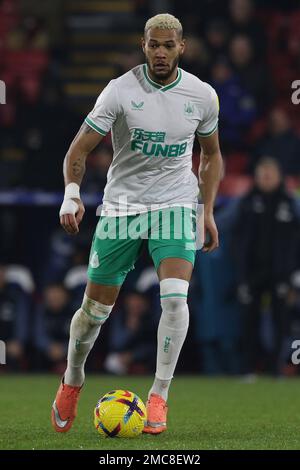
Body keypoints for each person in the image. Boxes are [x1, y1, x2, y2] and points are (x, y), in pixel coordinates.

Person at [51, 13, 222, 434]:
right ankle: (73, 377)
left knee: (175, 299)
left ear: (182, 47)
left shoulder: (201, 95)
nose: (160, 52)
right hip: (123, 206)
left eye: (168, 45)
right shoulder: (120, 91)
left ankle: (159, 395)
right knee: (94, 313)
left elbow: (212, 155)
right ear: (143, 46)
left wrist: (208, 210)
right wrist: (72, 195)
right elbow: (78, 149)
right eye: (152, 45)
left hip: (177, 204)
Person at [231, 158, 300, 376]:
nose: (266, 178)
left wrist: (294, 273)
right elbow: (235, 237)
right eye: (262, 174)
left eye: (270, 173)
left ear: (279, 176)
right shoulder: (247, 202)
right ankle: (247, 368)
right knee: (248, 321)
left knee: (281, 322)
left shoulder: (290, 202)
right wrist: (240, 271)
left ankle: (275, 369)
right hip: (252, 273)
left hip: (281, 273)